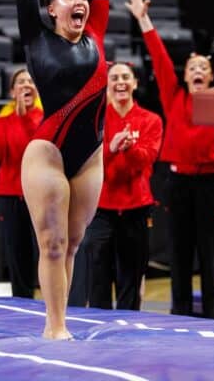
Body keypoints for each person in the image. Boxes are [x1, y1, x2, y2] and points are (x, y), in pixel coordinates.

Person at [0, 0, 141, 339]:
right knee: (53, 244)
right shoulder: (37, 39)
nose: (79, 0)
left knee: (74, 243)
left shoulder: (94, 32)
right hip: (48, 152)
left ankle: (61, 318)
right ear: (52, 8)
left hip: (90, 155)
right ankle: (54, 326)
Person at [126, 0, 214, 318]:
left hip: (212, 184)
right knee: (180, 253)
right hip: (178, 185)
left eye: (204, 68)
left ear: (212, 76)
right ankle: (181, 312)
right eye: (193, 68)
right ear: (185, 76)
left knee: (211, 256)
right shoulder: (174, 98)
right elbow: (159, 59)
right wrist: (144, 20)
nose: (199, 71)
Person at [84, 62, 162, 310]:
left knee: (131, 279)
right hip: (101, 208)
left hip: (136, 208)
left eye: (126, 77)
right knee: (98, 279)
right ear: (107, 85)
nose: (120, 82)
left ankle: (127, 335)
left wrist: (129, 149)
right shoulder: (95, 119)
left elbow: (147, 160)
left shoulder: (150, 120)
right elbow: (87, 162)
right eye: (114, 77)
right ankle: (97, 336)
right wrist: (111, 149)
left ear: (135, 83)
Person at [0, 69, 43, 298]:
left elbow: (41, 150)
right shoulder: (3, 122)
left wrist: (25, 118)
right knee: (17, 253)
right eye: (20, 82)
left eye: (31, 81)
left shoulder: (46, 118)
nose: (26, 85)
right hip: (11, 194)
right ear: (12, 91)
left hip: (42, 194)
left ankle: (51, 305)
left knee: (44, 252)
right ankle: (23, 302)